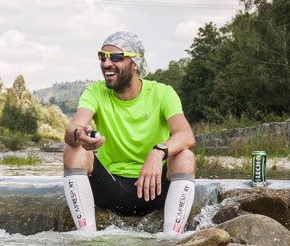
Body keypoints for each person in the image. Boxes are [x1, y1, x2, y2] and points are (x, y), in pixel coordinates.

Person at [62, 31, 196, 235]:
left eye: (116, 57)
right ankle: (86, 239)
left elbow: (186, 135)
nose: (106, 64)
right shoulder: (95, 92)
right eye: (102, 56)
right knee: (73, 150)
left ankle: (171, 240)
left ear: (135, 64)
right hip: (110, 188)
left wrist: (158, 152)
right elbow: (72, 128)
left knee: (185, 156)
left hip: (154, 189)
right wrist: (79, 134)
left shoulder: (163, 92)